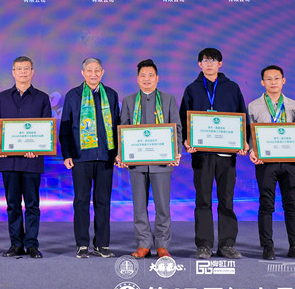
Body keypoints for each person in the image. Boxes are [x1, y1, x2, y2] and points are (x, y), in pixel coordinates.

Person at [179, 47, 249, 260]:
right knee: (203, 199)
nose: (209, 64)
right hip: (202, 155)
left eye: (213, 60)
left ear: (220, 64)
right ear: (199, 64)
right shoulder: (192, 89)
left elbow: (242, 115)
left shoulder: (232, 88)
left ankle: (227, 244)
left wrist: (243, 141)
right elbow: (184, 119)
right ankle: (204, 245)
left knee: (226, 199)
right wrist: (186, 141)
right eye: (205, 60)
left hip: (227, 155)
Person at [246, 65, 295, 261]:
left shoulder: (293, 105)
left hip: (290, 162)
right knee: (266, 204)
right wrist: (251, 150)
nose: (273, 82)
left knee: (292, 204)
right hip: (265, 162)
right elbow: (250, 133)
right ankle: (267, 246)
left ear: (283, 80)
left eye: (277, 78)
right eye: (269, 79)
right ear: (262, 82)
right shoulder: (253, 106)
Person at [118, 59, 182, 260]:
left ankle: (162, 245)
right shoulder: (129, 101)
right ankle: (143, 244)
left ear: (157, 78)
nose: (147, 79)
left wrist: (176, 152)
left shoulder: (168, 99)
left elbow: (177, 128)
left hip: (162, 162)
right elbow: (123, 130)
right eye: (143, 75)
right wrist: (122, 154)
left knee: (163, 206)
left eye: (150, 75)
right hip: (136, 163)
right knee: (139, 206)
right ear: (137, 79)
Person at [0, 56, 52, 259]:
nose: (23, 72)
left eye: (26, 68)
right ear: (13, 72)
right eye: (19, 69)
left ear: (32, 72)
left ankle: (32, 244)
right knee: (13, 204)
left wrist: (38, 148)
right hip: (9, 160)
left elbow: (47, 129)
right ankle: (16, 244)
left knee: (32, 204)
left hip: (32, 159)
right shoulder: (2, 98)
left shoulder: (42, 98)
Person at [59, 57, 119, 259]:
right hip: (80, 157)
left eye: (97, 70)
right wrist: (67, 154)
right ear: (83, 73)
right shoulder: (73, 95)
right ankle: (82, 244)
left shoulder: (111, 95)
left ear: (102, 72)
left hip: (105, 156)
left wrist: (117, 152)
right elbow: (65, 127)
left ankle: (102, 244)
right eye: (89, 70)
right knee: (81, 201)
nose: (93, 74)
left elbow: (117, 126)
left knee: (103, 201)